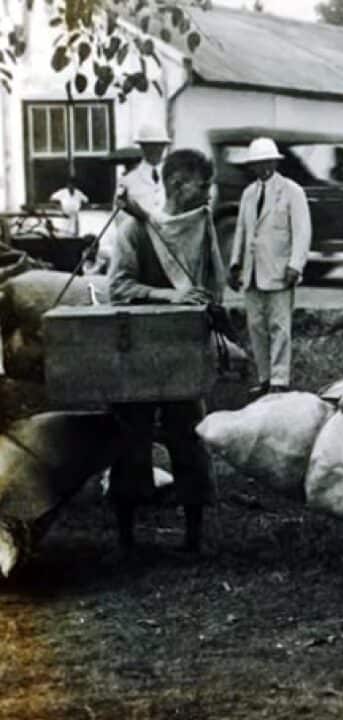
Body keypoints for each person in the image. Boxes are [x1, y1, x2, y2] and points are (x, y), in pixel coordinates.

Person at [107, 149, 225, 559]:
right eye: (202, 184)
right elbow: (118, 288)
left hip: (181, 350)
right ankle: (127, 537)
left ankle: (193, 535)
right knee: (130, 437)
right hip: (136, 349)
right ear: (176, 184)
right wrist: (168, 295)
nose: (208, 192)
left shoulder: (202, 226)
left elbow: (213, 281)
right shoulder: (136, 230)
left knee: (190, 435)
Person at [227, 137, 312, 397]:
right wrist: (235, 264)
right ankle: (264, 378)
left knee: (279, 326)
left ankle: (279, 379)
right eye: (258, 164)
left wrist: (295, 265)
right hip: (252, 271)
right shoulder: (249, 194)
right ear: (251, 166)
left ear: (276, 162)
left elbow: (302, 231)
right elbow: (242, 230)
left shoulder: (291, 191)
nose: (264, 168)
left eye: (268, 162)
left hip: (279, 269)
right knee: (256, 326)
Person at [119, 124, 171, 219]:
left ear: (165, 146)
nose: (155, 150)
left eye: (159, 145)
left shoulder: (173, 177)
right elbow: (120, 217)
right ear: (141, 147)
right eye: (149, 145)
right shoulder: (127, 181)